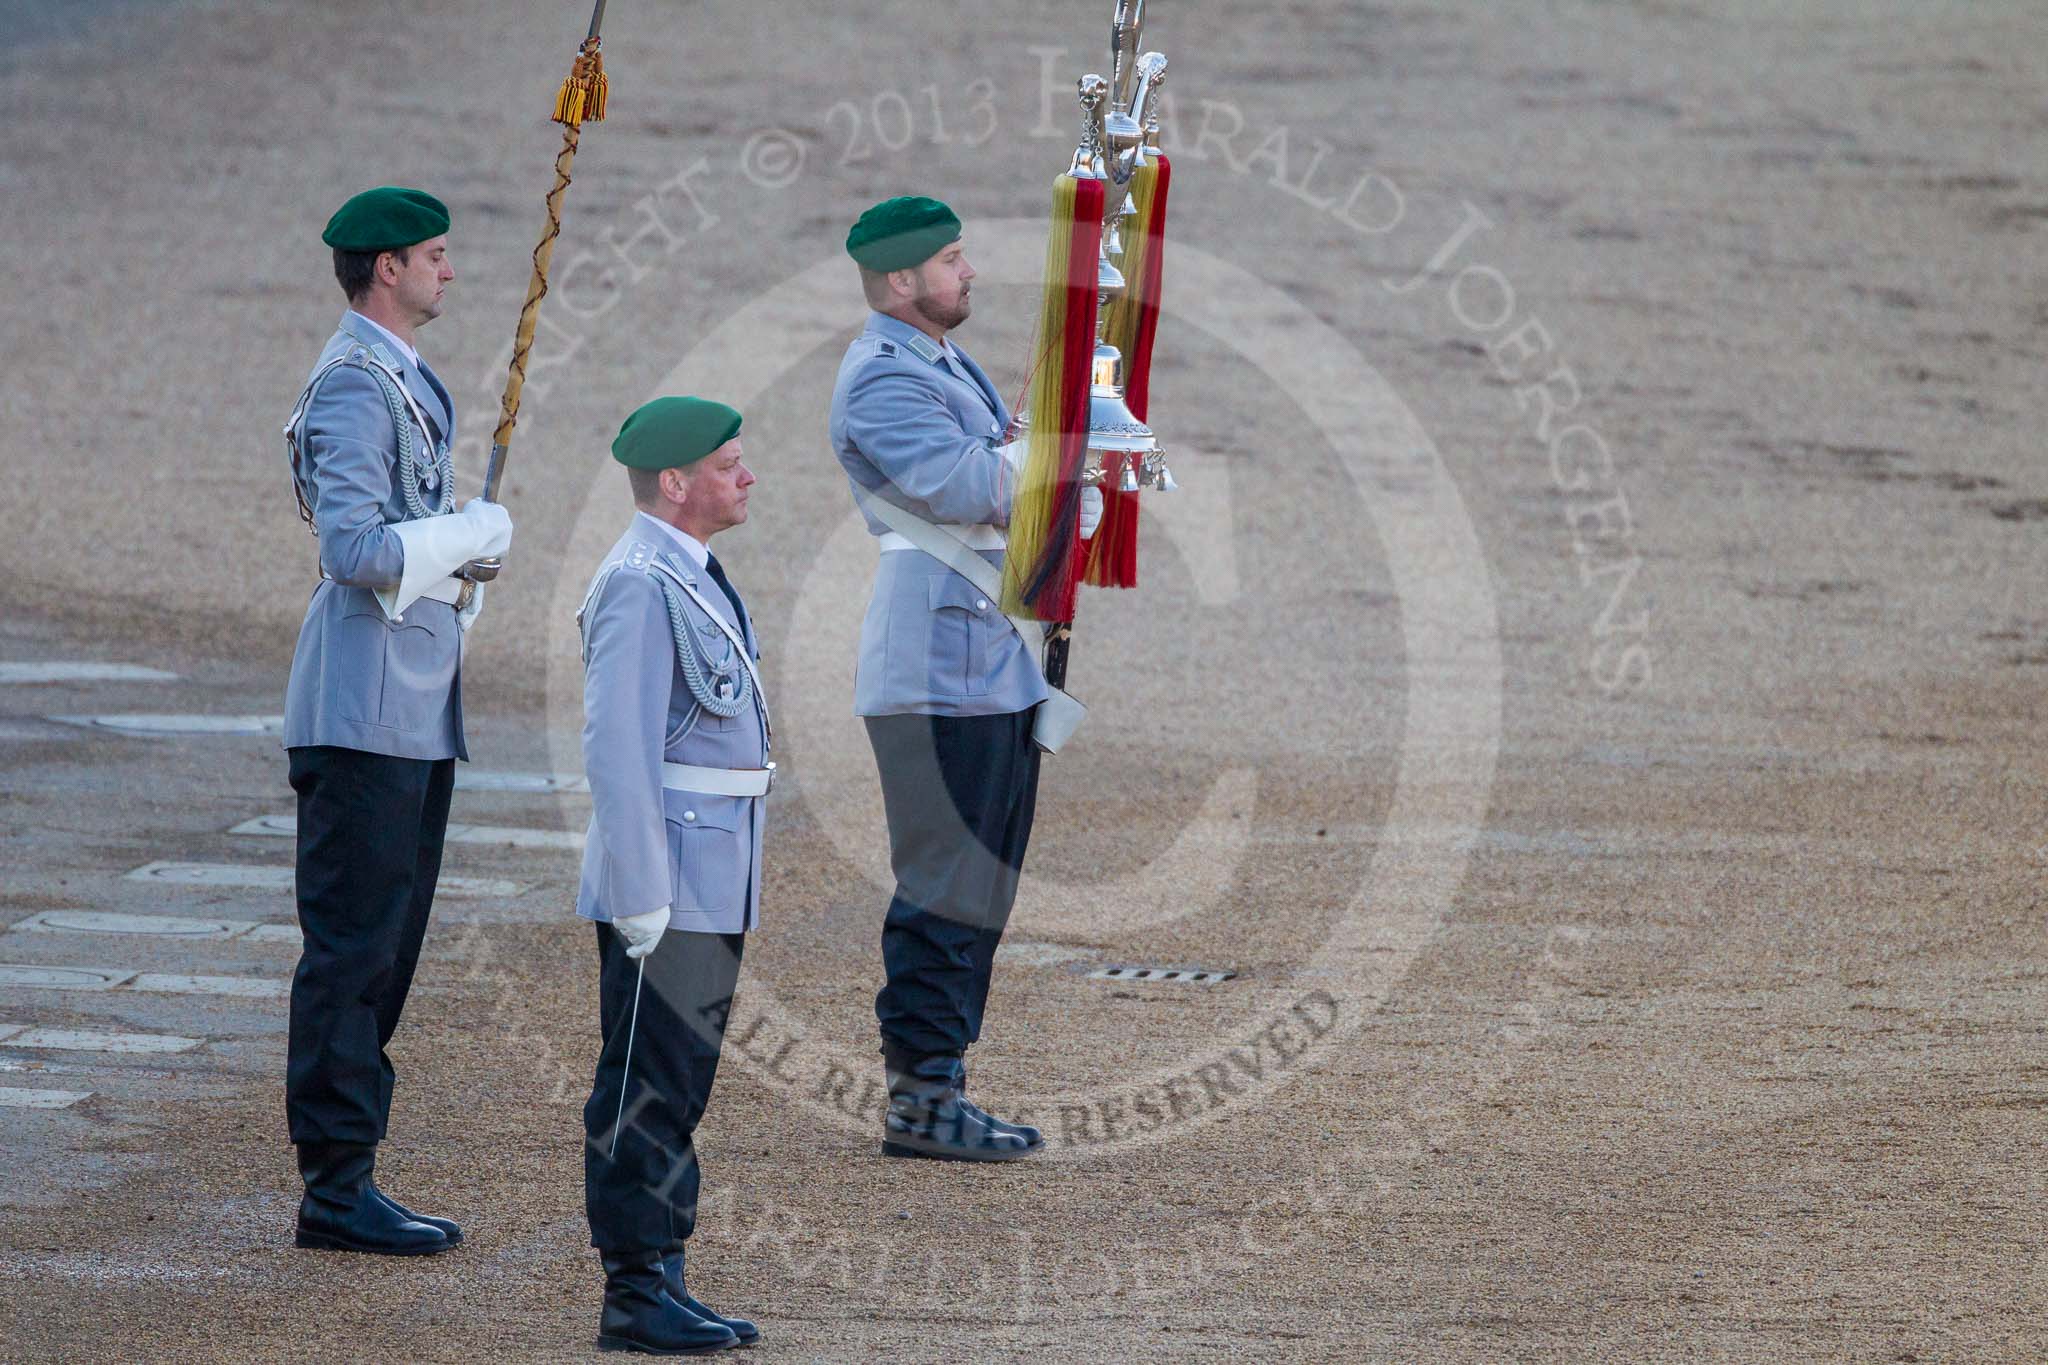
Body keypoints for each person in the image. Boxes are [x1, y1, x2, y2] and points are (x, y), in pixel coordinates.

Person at [827, 196, 1102, 1162]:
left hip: (986, 659)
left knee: (981, 884)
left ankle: (941, 1082)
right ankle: (922, 1096)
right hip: (938, 665)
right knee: (947, 883)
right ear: (901, 282)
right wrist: (1069, 444)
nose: (968, 271)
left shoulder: (935, 361)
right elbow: (972, 487)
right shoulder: (881, 379)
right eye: (950, 260)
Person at [281, 186, 515, 1254]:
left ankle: (352, 1170)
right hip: (364, 709)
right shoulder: (354, 385)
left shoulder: (400, 378)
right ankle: (335, 1187)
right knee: (352, 952)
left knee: (387, 954)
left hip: (410, 709)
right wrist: (460, 533)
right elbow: (358, 551)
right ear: (385, 269)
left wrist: (463, 553)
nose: (446, 271)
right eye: (431, 255)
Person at [576, 397, 769, 1354]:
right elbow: (617, 747)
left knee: (680, 1080)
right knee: (646, 1080)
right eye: (729, 464)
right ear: (673, 482)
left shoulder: (686, 571)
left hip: (712, 864)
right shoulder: (641, 582)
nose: (745, 477)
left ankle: (665, 1271)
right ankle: (635, 1287)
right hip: (672, 873)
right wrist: (641, 886)